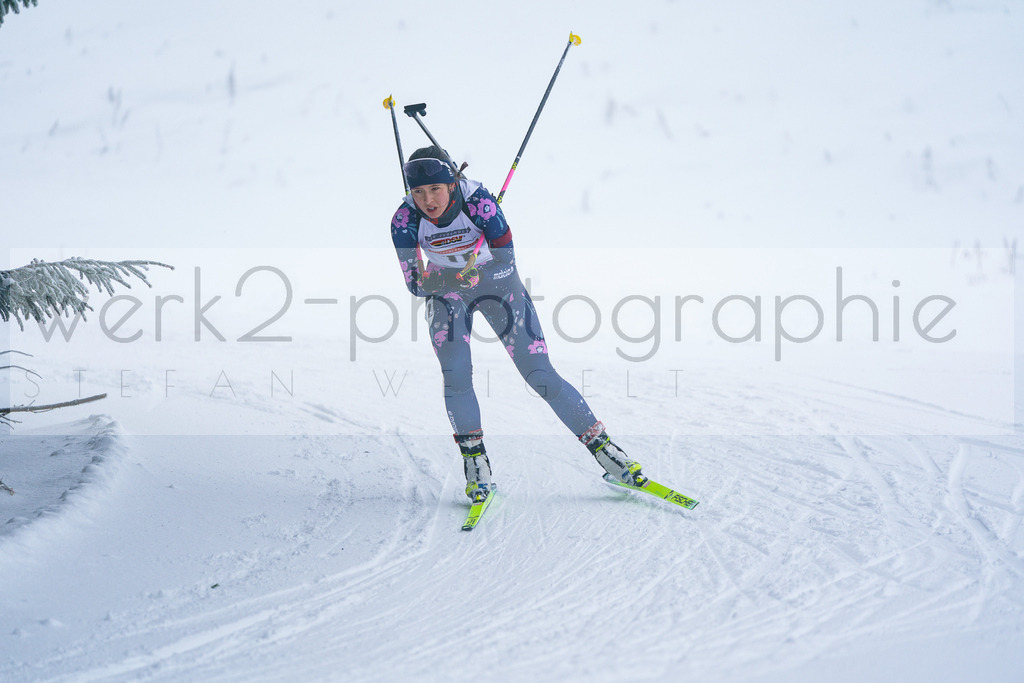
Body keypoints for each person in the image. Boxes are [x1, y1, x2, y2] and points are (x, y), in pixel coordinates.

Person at [390, 146, 643, 503]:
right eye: (418, 192)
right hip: (448, 295)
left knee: (540, 374)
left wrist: (473, 275)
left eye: (435, 189)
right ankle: (476, 463)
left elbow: (508, 264)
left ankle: (606, 452)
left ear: (452, 182)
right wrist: (451, 282)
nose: (427, 200)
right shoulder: (405, 220)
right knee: (457, 371)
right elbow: (415, 283)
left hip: (498, 285)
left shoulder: (480, 205)